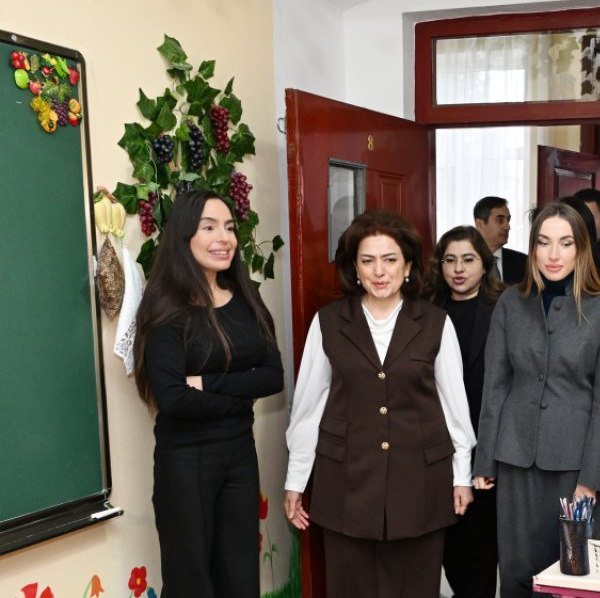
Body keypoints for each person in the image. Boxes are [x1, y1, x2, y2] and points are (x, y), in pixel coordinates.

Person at [284, 211, 475, 598]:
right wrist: (296, 480)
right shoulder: (329, 322)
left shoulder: (436, 323)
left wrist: (461, 476)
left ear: (408, 266)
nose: (379, 271)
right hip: (346, 483)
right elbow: (308, 408)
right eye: (367, 261)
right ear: (354, 268)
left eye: (390, 259)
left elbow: (455, 407)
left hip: (419, 483)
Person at [473, 202, 600, 598]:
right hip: (515, 458)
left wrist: (592, 480)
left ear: (582, 248)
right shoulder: (511, 303)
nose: (553, 254)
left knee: (568, 577)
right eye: (544, 243)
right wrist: (485, 459)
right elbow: (495, 385)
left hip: (574, 467)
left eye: (565, 243)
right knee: (515, 573)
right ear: (532, 248)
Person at [133, 190, 283, 598]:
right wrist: (241, 395)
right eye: (209, 227)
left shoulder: (245, 298)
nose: (225, 238)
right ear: (184, 237)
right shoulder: (164, 308)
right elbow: (174, 399)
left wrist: (209, 383)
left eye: (230, 228)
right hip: (186, 460)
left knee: (241, 577)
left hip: (240, 454)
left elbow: (272, 377)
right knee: (191, 581)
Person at [424, 226, 506, 598]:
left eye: (468, 259)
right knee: (447, 545)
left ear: (484, 264)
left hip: (487, 444)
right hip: (435, 444)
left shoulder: (505, 306)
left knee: (481, 547)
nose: (458, 269)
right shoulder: (425, 310)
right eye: (450, 260)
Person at [475, 196, 527, 285]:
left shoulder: (524, 262)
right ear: (480, 224)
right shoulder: (465, 261)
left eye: (508, 220)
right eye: (500, 220)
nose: (507, 227)